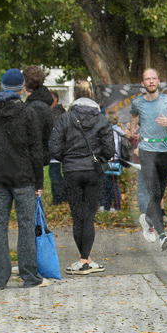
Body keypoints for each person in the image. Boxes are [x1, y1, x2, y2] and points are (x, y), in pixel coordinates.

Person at [0, 68, 47, 288]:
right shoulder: (26, 112)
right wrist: (39, 182)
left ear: (2, 85)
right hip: (24, 177)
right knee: (26, 225)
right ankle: (29, 275)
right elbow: (36, 150)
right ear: (21, 88)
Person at [49, 79, 115, 275]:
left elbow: (53, 147)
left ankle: (83, 259)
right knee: (89, 216)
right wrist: (99, 159)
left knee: (78, 216)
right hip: (94, 171)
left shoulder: (65, 118)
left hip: (71, 171)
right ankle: (86, 259)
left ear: (74, 96)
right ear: (92, 95)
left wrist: (67, 159)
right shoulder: (102, 120)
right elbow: (110, 149)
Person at [128, 68, 167, 251]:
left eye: (153, 78)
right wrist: (133, 129)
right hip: (146, 150)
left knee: (159, 193)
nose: (150, 82)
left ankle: (146, 218)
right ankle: (163, 236)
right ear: (142, 84)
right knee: (153, 190)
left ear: (159, 81)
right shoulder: (137, 102)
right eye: (147, 79)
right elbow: (134, 115)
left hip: (165, 150)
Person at [48, 90, 67, 205]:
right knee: (54, 173)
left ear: (56, 99)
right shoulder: (51, 111)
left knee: (55, 173)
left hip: (59, 148)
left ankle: (59, 197)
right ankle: (60, 195)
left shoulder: (58, 112)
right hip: (55, 148)